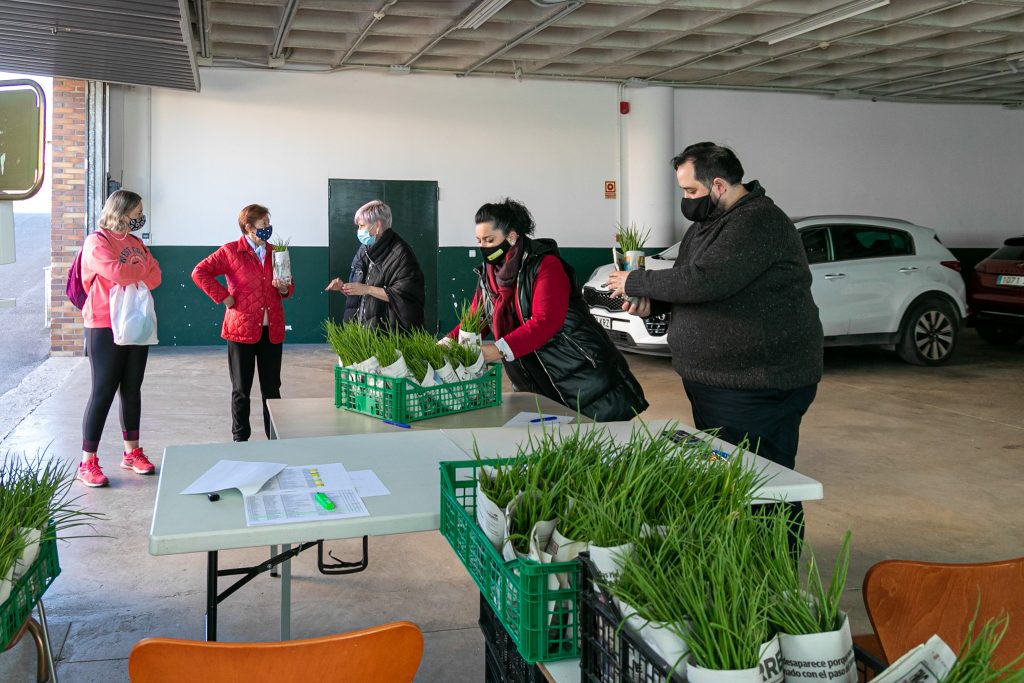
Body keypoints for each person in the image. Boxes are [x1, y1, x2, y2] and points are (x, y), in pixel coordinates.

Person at [606, 142, 823, 530]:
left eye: (691, 191)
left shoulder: (758, 221)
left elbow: (708, 280)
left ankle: (772, 574)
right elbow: (694, 284)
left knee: (765, 485)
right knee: (729, 479)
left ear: (718, 185)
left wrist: (636, 280)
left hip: (758, 384)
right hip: (718, 383)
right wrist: (653, 303)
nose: (686, 201)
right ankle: (740, 559)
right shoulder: (707, 227)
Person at [449, 198, 648, 422]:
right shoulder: (489, 274)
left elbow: (546, 321)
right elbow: (477, 318)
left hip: (577, 370)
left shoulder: (545, 265)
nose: (483, 247)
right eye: (479, 241)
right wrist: (446, 344)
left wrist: (497, 350)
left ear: (512, 237)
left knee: (589, 438)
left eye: (489, 240)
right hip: (532, 372)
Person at [77, 189, 162, 487]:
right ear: (121, 211)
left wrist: (134, 270)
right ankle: (87, 462)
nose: (140, 217)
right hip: (103, 323)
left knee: (131, 388)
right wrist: (139, 269)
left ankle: (131, 453)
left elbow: (156, 277)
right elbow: (115, 272)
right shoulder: (97, 241)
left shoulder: (137, 243)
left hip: (136, 323)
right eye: (137, 212)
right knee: (103, 390)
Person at [192, 204, 294, 442]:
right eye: (263, 225)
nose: (268, 228)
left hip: (272, 330)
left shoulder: (276, 251)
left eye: (269, 224)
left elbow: (289, 286)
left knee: (272, 390)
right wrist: (225, 298)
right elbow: (199, 272)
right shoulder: (230, 251)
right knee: (241, 390)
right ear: (248, 227)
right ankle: (240, 439)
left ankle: (275, 437)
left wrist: (284, 288)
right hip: (241, 330)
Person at [324, 200, 425, 332]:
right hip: (361, 333)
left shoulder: (401, 254)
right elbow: (362, 291)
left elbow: (405, 296)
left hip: (387, 334)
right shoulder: (364, 249)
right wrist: (344, 288)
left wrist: (368, 289)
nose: (359, 231)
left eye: (362, 226)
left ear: (377, 226)